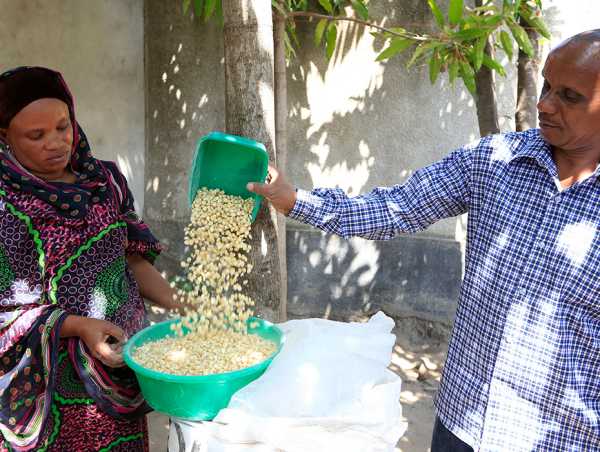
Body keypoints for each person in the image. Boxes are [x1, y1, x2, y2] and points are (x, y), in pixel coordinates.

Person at [248, 29, 600, 451]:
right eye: (545, 85)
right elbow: (397, 207)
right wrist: (294, 200)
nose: (544, 104)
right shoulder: (496, 161)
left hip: (557, 437)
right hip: (464, 420)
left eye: (569, 96)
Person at [0, 67, 180, 451]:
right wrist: (78, 326)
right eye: (36, 135)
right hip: (46, 388)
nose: (56, 143)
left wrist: (185, 304)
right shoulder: (4, 206)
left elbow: (131, 261)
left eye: (63, 127)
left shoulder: (106, 181)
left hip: (119, 368)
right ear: (4, 136)